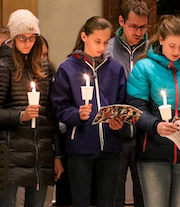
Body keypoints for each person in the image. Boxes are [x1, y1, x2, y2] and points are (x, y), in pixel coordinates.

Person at [126, 15, 180, 207]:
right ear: (161, 40)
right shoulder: (144, 67)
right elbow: (136, 108)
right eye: (172, 46)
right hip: (152, 153)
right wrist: (156, 126)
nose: (177, 51)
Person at [50, 16, 130, 207]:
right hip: (80, 149)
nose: (101, 47)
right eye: (97, 41)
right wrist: (77, 115)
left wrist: (119, 122)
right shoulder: (67, 69)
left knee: (106, 202)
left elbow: (122, 104)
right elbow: (59, 108)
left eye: (105, 42)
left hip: (110, 148)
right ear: (84, 37)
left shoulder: (115, 69)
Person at [0, 10, 61, 207]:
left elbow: (51, 116)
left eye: (31, 38)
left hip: (40, 154)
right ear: (12, 40)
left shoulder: (45, 69)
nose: (27, 43)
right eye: (21, 38)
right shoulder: (2, 68)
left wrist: (57, 155)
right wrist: (21, 116)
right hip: (11, 154)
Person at [105, 0, 150, 207]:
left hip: (145, 134)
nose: (138, 32)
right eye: (133, 26)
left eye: (143, 27)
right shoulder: (108, 49)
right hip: (115, 134)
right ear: (121, 21)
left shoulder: (153, 51)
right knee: (114, 195)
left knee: (146, 196)